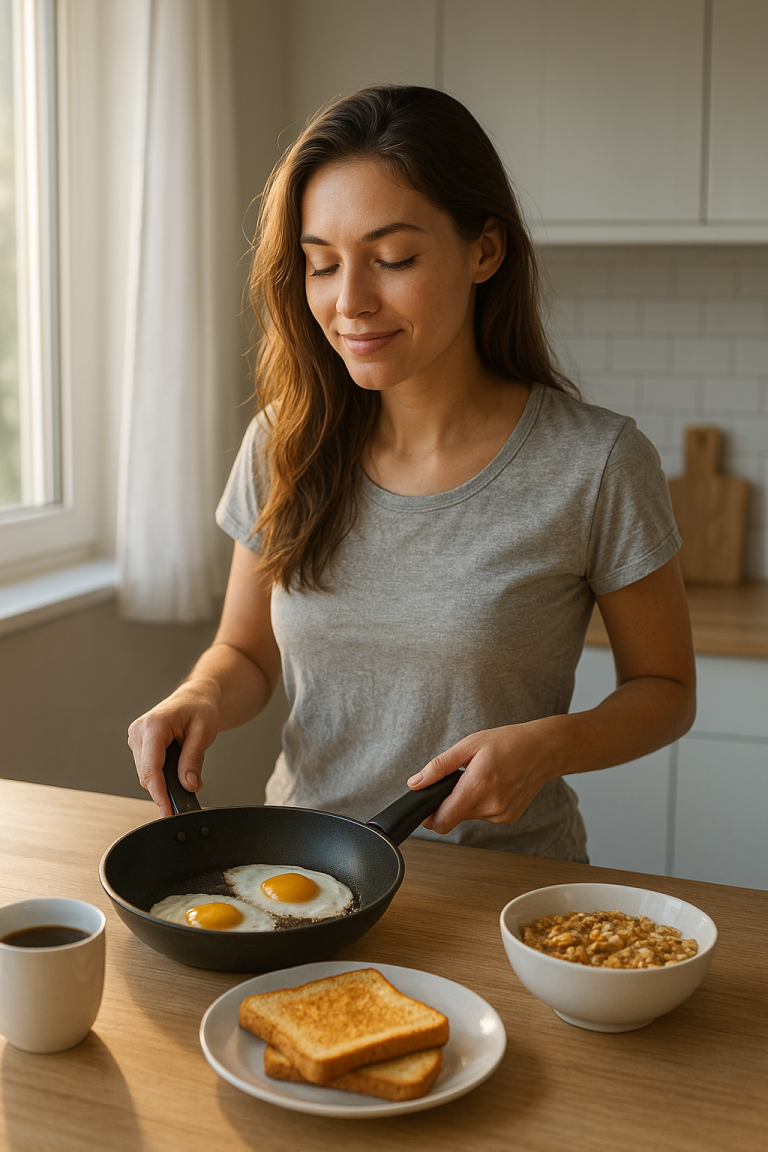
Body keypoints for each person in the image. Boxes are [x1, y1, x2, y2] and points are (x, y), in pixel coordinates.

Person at [128, 85, 695, 860]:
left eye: (393, 259)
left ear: (485, 250)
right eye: (322, 265)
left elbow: (665, 692)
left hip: (499, 894)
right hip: (300, 875)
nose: (350, 301)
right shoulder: (281, 445)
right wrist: (199, 696)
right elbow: (249, 655)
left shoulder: (595, 464)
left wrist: (549, 746)